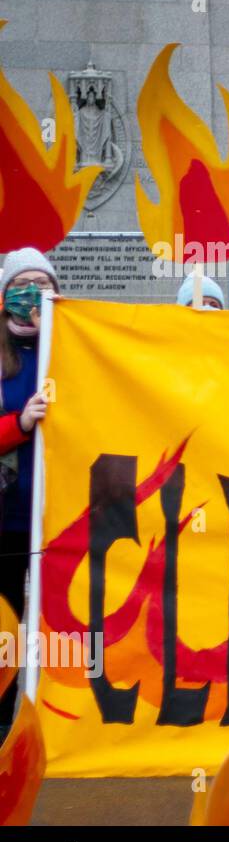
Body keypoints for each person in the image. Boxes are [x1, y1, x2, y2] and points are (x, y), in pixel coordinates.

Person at [0, 248, 56, 731]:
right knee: (6, 625)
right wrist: (18, 423)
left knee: (54, 627)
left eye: (43, 281)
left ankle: (41, 727)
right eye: (23, 283)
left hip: (56, 517)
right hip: (6, 518)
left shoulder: (73, 347)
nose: (33, 291)